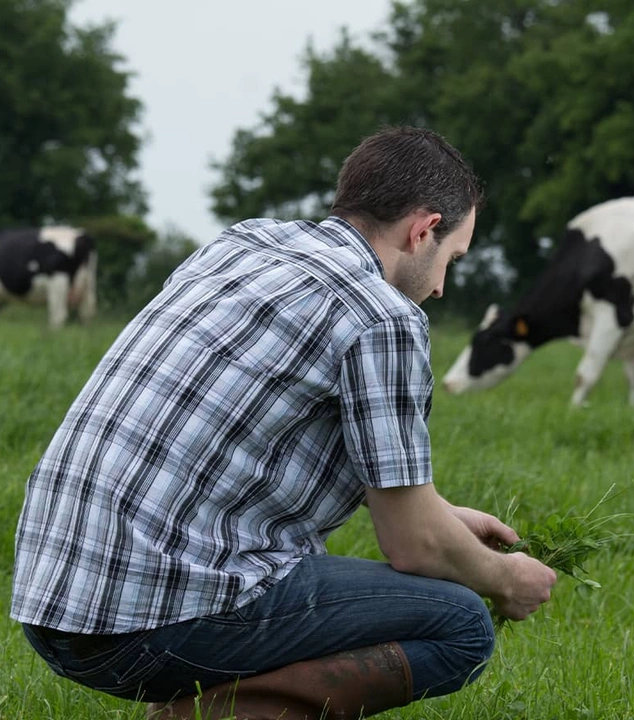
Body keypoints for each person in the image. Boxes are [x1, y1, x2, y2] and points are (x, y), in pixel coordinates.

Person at [10, 126, 557, 719]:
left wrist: (446, 516)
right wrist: (504, 579)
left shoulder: (242, 245)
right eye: (450, 258)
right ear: (422, 229)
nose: (442, 285)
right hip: (142, 627)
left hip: (51, 601)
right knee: (461, 625)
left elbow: (269, 442)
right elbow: (414, 545)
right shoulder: (383, 317)